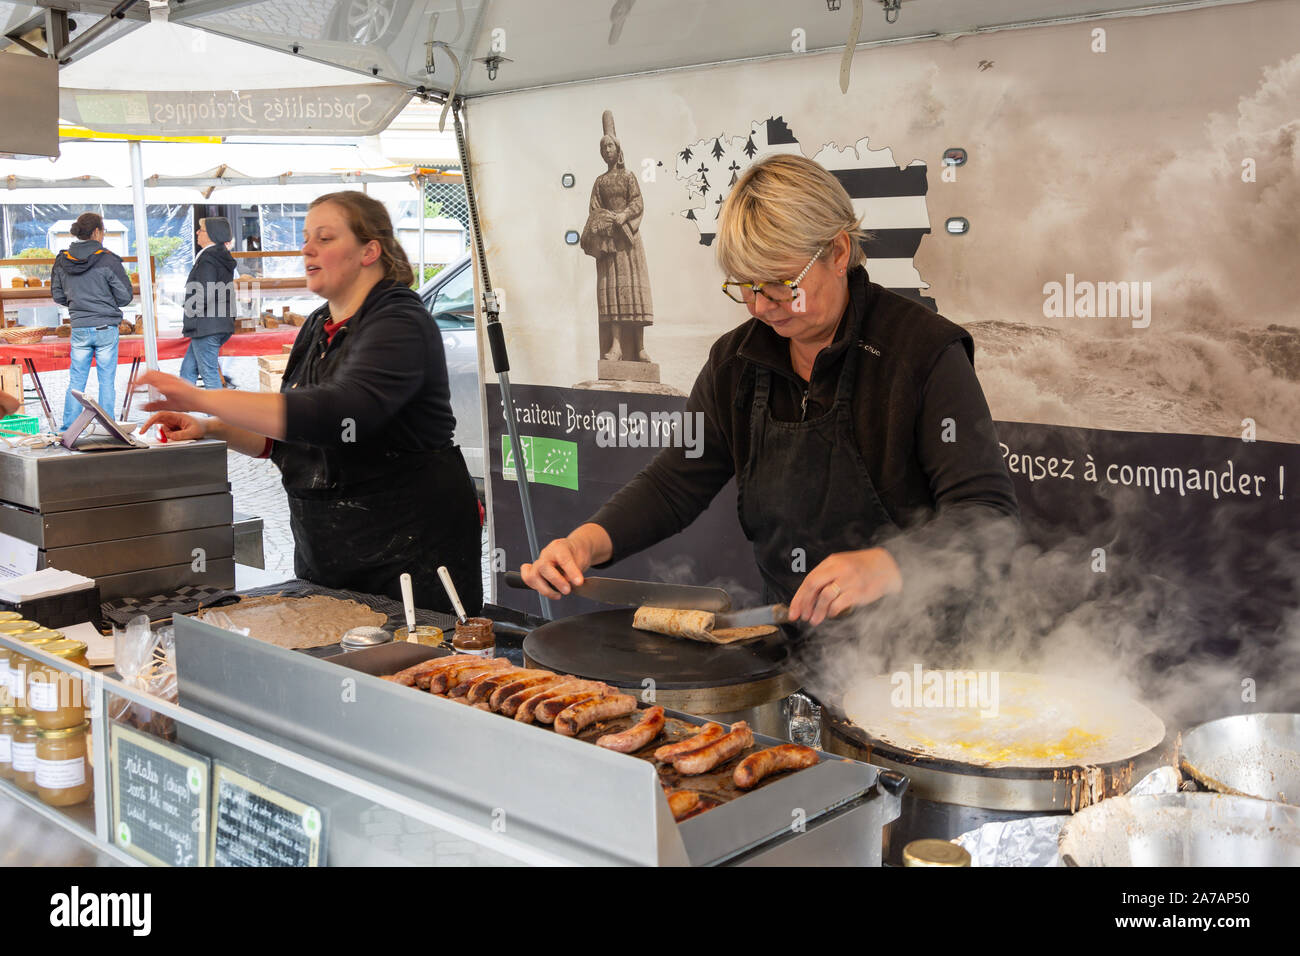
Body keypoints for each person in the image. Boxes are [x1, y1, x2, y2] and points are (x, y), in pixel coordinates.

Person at [521, 154, 1019, 627]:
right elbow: (675, 484)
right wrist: (587, 542)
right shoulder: (735, 362)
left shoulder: (923, 352)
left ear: (839, 252)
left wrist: (888, 565)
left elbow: (986, 515)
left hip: (924, 654)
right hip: (792, 644)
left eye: (781, 284)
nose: (761, 307)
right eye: (745, 285)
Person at [138, 191, 482, 615]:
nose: (307, 248)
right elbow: (291, 436)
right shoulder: (319, 324)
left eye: (325, 237)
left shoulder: (400, 322)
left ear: (369, 251)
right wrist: (208, 426)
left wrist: (203, 395)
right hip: (327, 554)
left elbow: (339, 414)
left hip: (409, 556)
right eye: (305, 237)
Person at [580, 110, 653, 363]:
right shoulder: (600, 181)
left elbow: (638, 202)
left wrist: (624, 217)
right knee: (611, 293)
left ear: (617, 148)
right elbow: (594, 210)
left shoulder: (628, 176)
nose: (607, 151)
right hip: (610, 245)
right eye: (603, 148)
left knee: (634, 292)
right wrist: (603, 224)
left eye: (610, 146)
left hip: (629, 243)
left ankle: (641, 347)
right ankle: (616, 346)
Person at [50, 212, 132, 428]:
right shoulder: (107, 259)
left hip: (79, 327)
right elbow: (125, 296)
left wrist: (79, 303)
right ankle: (108, 428)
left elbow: (58, 296)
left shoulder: (62, 260)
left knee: (76, 381)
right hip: (106, 327)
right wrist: (104, 300)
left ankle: (68, 428)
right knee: (106, 381)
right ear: (96, 232)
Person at [179, 217, 237, 390]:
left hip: (206, 326)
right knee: (188, 370)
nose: (197, 232)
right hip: (217, 324)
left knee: (209, 374)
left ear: (212, 234)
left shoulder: (208, 259)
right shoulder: (219, 256)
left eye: (201, 229)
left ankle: (216, 416)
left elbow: (204, 292)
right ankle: (182, 411)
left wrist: (190, 311)